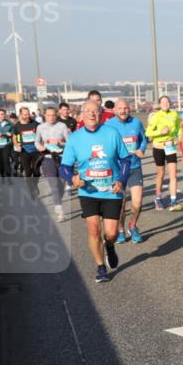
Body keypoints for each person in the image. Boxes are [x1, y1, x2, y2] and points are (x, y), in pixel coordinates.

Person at [60, 100, 130, 283]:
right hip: (88, 191)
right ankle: (100, 267)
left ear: (101, 113)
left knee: (112, 233)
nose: (92, 114)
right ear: (82, 115)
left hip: (111, 190)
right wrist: (72, 179)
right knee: (93, 228)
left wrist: (121, 180)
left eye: (95, 111)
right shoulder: (75, 138)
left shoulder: (112, 133)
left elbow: (125, 160)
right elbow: (65, 167)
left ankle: (110, 245)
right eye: (88, 111)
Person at [107, 99, 147, 243]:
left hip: (134, 167)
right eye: (120, 108)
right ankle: (121, 230)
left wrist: (141, 149)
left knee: (137, 203)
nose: (123, 111)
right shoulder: (109, 125)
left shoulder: (136, 122)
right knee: (121, 204)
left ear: (129, 109)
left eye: (125, 108)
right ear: (115, 110)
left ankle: (132, 226)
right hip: (118, 171)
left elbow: (143, 139)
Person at [145, 95, 182, 211]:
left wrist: (178, 138)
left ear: (170, 103)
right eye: (163, 102)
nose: (165, 104)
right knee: (160, 174)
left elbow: (178, 128)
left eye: (167, 101)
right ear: (160, 104)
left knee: (173, 174)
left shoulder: (174, 114)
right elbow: (148, 132)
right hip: (158, 147)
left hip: (170, 146)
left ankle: (173, 200)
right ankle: (158, 197)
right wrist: (160, 132)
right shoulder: (156, 116)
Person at [35, 105, 71, 221]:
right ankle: (59, 210)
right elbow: (36, 141)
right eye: (48, 115)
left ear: (56, 115)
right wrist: (39, 146)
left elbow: (69, 142)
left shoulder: (62, 126)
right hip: (47, 158)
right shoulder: (40, 127)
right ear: (45, 116)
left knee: (61, 184)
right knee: (54, 185)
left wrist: (60, 143)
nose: (51, 117)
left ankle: (57, 202)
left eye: (53, 115)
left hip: (62, 158)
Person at [12, 106, 41, 197]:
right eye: (25, 114)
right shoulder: (17, 126)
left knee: (36, 172)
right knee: (28, 172)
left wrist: (42, 145)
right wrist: (17, 145)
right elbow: (14, 137)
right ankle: (31, 190)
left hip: (36, 151)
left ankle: (35, 185)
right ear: (20, 115)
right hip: (24, 151)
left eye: (28, 114)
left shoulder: (35, 124)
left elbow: (41, 134)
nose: (27, 116)